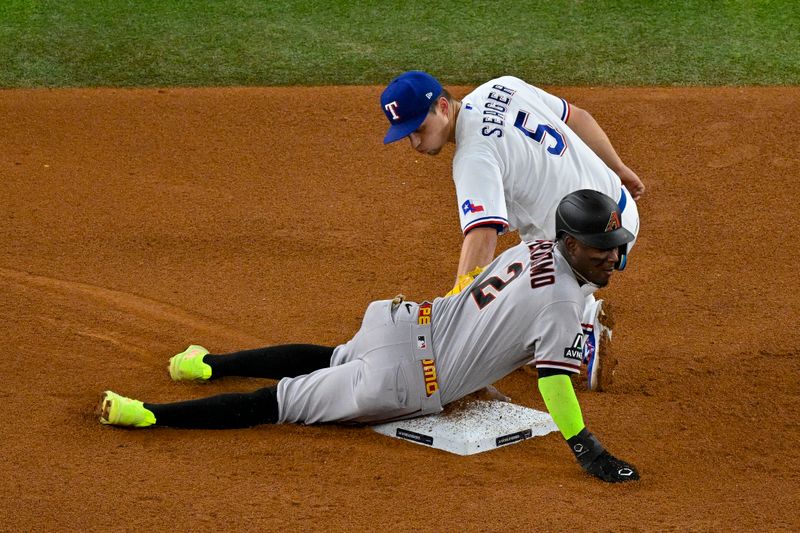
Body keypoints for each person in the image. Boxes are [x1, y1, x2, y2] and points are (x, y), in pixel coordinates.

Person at [99, 190, 640, 483]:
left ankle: (206, 363)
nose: (613, 257)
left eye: (614, 244)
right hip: (404, 380)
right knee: (278, 403)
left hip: (401, 321)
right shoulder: (567, 302)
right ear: (570, 242)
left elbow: (494, 305)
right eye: (601, 247)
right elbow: (553, 383)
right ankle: (148, 413)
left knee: (331, 356)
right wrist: (586, 449)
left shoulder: (533, 247)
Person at [380, 72, 644, 387]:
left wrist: (457, 312)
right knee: (522, 255)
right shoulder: (502, 86)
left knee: (503, 326)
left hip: (587, 250)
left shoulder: (473, 156)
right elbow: (578, 117)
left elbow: (482, 235)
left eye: (419, 129)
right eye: (406, 135)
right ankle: (576, 300)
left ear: (443, 107)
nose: (416, 143)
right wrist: (618, 168)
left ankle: (582, 337)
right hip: (621, 213)